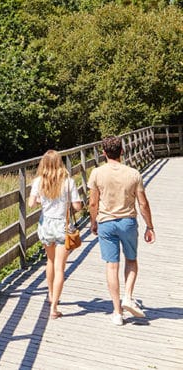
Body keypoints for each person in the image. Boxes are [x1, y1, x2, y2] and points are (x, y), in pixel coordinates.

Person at [88, 135, 156, 326]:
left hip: (106, 222)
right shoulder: (134, 173)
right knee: (131, 260)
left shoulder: (97, 173)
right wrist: (149, 226)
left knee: (112, 265)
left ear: (103, 153)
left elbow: (93, 202)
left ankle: (117, 312)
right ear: (122, 151)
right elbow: (143, 203)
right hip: (128, 222)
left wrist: (94, 222)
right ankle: (128, 296)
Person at [28, 150, 82, 319]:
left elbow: (31, 204)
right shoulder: (68, 182)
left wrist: (42, 201)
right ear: (60, 163)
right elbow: (77, 206)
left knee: (49, 261)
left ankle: (50, 294)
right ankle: (54, 307)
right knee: (60, 267)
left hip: (45, 225)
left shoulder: (38, 181)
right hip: (62, 226)